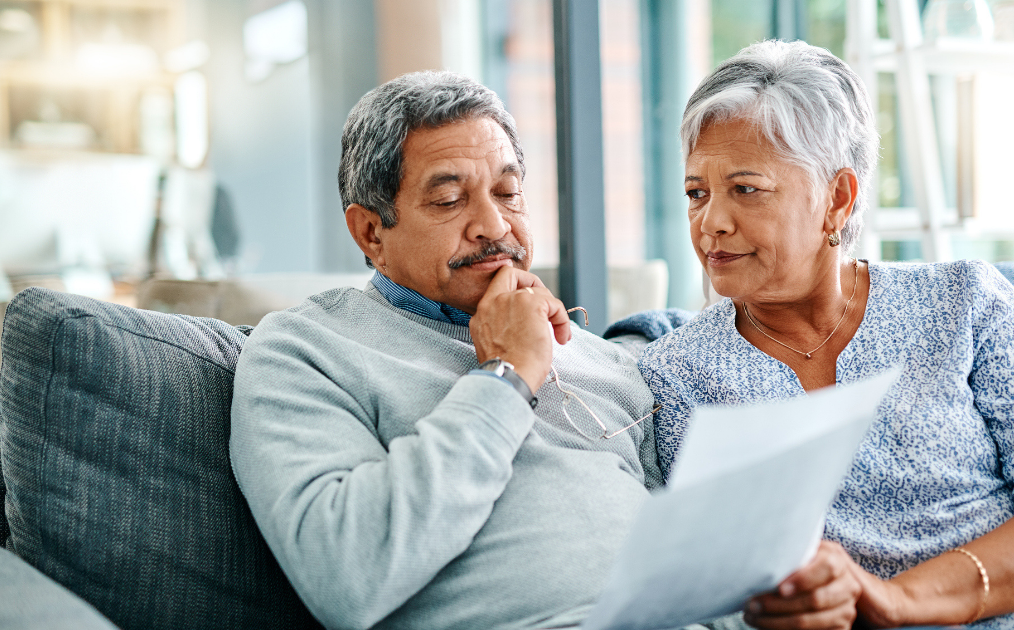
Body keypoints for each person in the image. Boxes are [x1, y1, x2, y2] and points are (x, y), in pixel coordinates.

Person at [230, 71, 767, 630]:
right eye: (448, 199)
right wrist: (507, 376)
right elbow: (348, 576)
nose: (492, 224)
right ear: (370, 233)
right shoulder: (304, 350)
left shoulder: (599, 357)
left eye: (508, 194)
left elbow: (685, 553)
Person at [639, 39, 1014, 629]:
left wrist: (897, 601)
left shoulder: (965, 302)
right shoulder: (674, 377)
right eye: (697, 193)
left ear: (837, 198)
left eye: (746, 189)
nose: (711, 223)